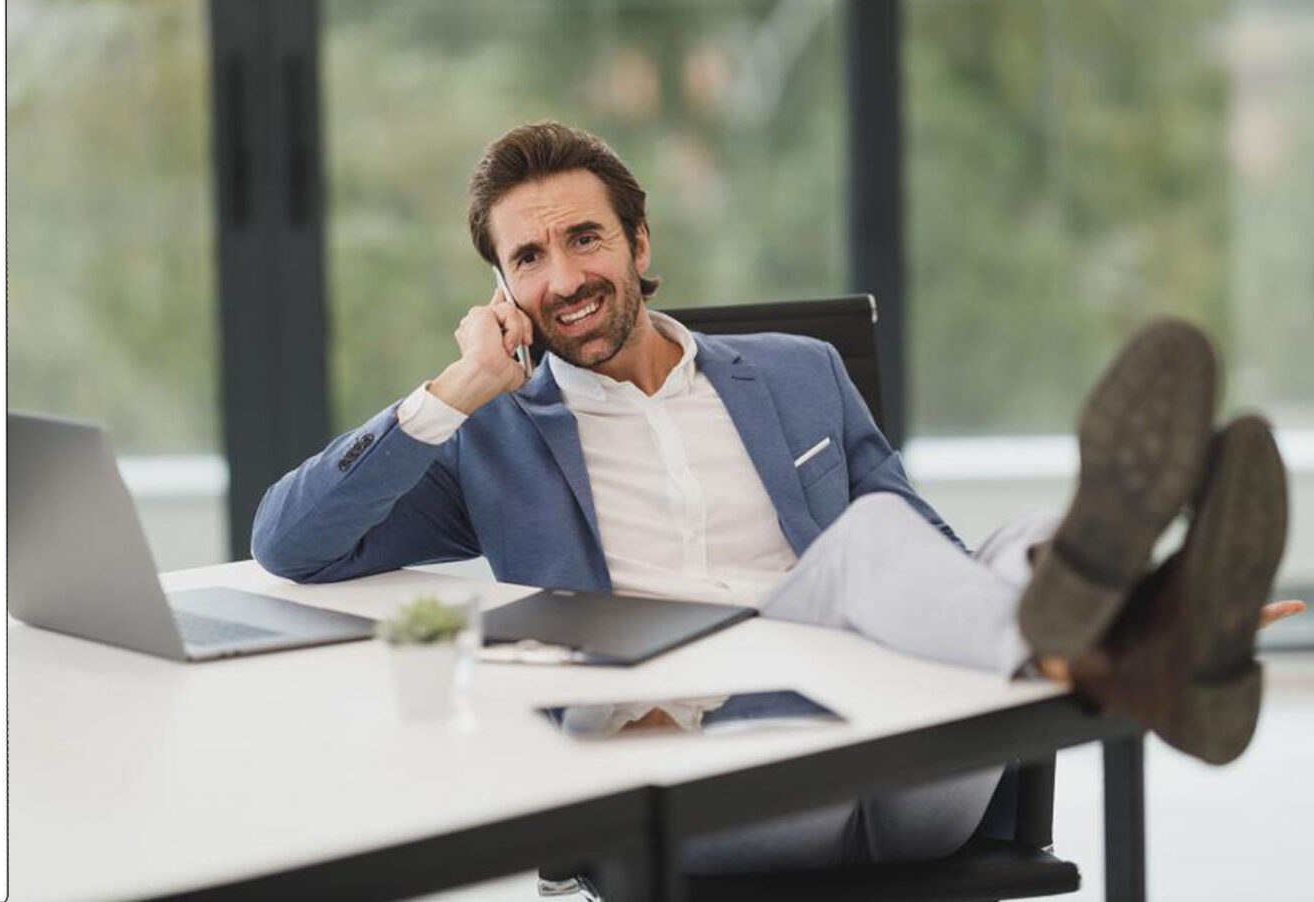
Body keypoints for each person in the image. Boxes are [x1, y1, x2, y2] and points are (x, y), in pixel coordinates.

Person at [249, 121, 1300, 875]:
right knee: (878, 542)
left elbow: (923, 553)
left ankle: (1122, 625)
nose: (563, 274)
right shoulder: (491, 437)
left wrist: (1117, 597)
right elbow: (289, 544)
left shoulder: (798, 370)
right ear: (500, 292)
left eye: (584, 238)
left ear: (638, 244)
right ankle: (1133, 651)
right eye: (527, 256)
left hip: (904, 750)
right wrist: (460, 386)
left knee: (991, 537)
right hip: (697, 775)